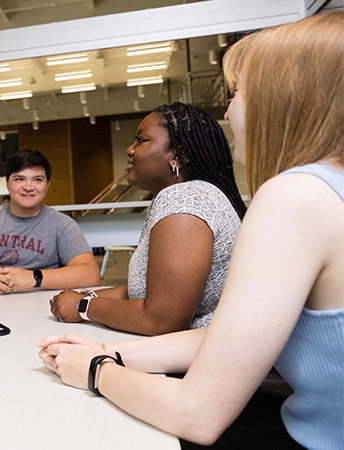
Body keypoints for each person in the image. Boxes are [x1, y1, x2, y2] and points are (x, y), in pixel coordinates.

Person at [38, 12, 343, 449]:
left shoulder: (295, 195)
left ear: (282, 99)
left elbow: (197, 413)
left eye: (237, 93)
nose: (228, 110)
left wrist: (94, 370)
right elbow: (228, 338)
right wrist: (110, 353)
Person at [50, 103, 246, 335]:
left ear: (178, 156)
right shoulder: (184, 195)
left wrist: (83, 307)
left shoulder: (183, 203)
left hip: (197, 360)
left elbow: (161, 321)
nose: (129, 149)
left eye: (141, 141)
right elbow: (143, 290)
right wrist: (85, 296)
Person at [0, 149, 101, 295]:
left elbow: (91, 274)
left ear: (47, 185)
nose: (28, 187)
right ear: (7, 184)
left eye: (37, 179)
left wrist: (33, 278)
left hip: (37, 306)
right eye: (19, 179)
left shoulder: (62, 225)